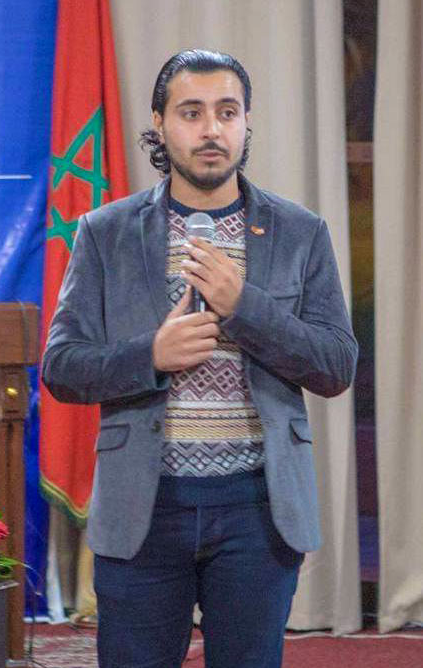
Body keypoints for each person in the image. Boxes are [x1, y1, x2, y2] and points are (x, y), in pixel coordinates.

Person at [41, 49, 357, 668]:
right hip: (144, 508)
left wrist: (246, 307)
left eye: (227, 112)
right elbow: (62, 366)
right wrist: (151, 355)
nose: (211, 129)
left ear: (246, 123)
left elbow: (336, 365)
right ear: (159, 123)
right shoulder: (106, 232)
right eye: (191, 112)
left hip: (257, 512)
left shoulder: (299, 232)